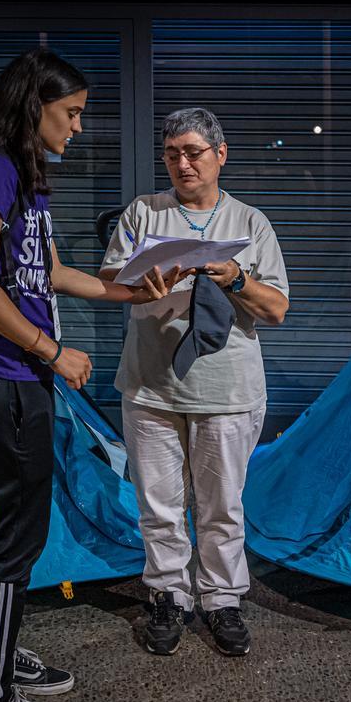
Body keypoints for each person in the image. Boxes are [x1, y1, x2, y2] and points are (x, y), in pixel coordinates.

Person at [0, 48, 181, 702]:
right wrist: (52, 352)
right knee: (16, 540)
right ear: (32, 105)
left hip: (17, 379)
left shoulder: (23, 177)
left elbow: (45, 273)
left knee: (17, 531)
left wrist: (128, 290)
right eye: (71, 113)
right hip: (1, 379)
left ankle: (0, 653)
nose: (79, 127)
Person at [99, 107, 290, 657]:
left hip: (227, 389)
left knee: (221, 506)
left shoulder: (250, 223)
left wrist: (236, 278)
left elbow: (277, 311)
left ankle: (222, 599)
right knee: (158, 504)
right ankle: (166, 594)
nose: (182, 163)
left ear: (220, 155)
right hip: (151, 386)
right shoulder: (143, 213)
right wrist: (141, 281)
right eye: (172, 153)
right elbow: (111, 281)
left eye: (194, 152)